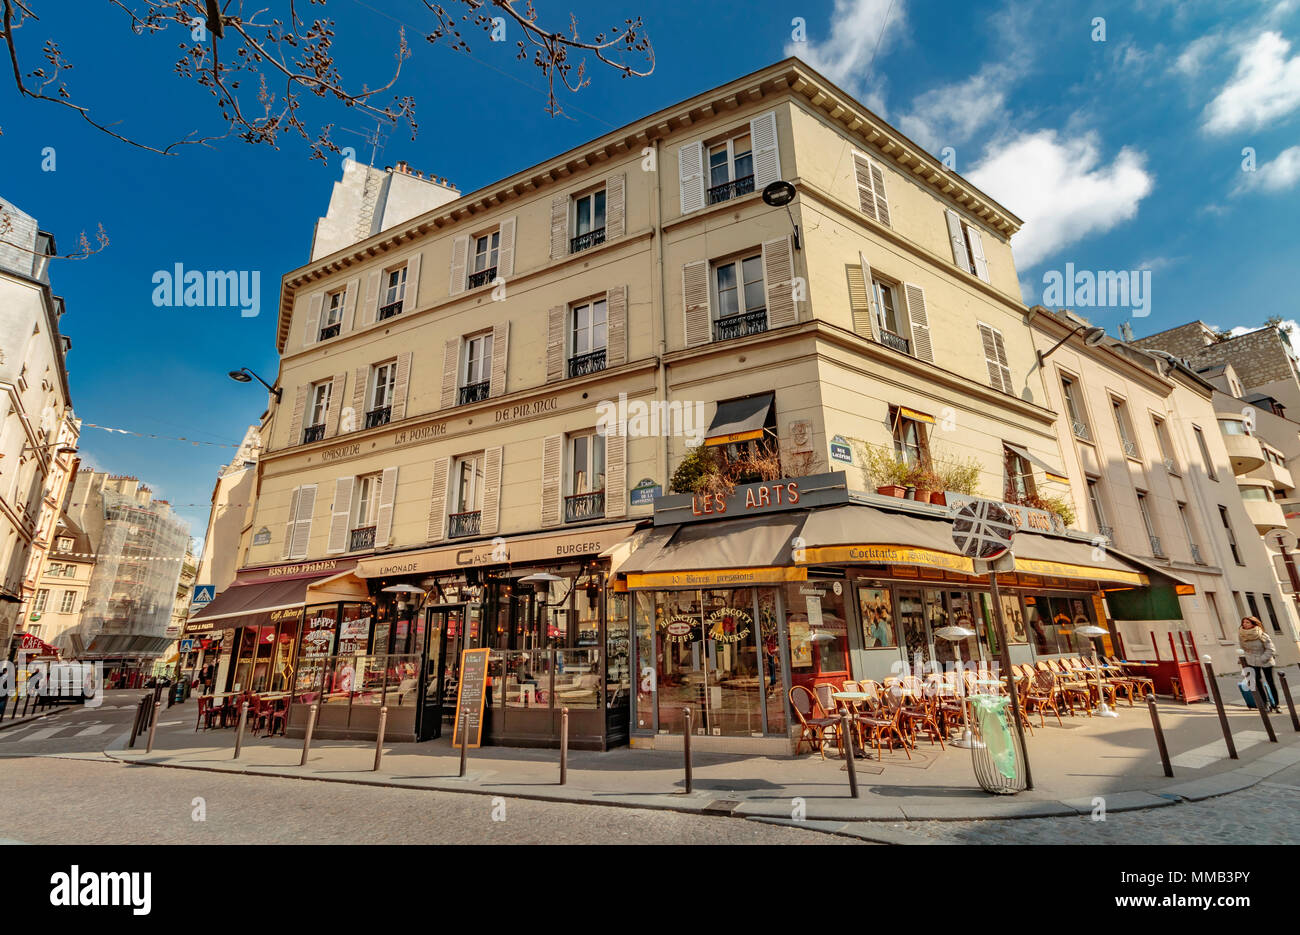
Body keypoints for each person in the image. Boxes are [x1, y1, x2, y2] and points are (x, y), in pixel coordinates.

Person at [1238, 616, 1279, 713]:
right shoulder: (1242, 635)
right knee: (1257, 682)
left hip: (1265, 659)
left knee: (1270, 682)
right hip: (1252, 660)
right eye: (1243, 622)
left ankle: (1276, 705)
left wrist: (1262, 659)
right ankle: (1265, 704)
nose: (1244, 624)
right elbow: (1242, 648)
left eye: (1247, 622)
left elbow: (1271, 649)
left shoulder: (1262, 634)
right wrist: (1242, 658)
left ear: (1253, 624)